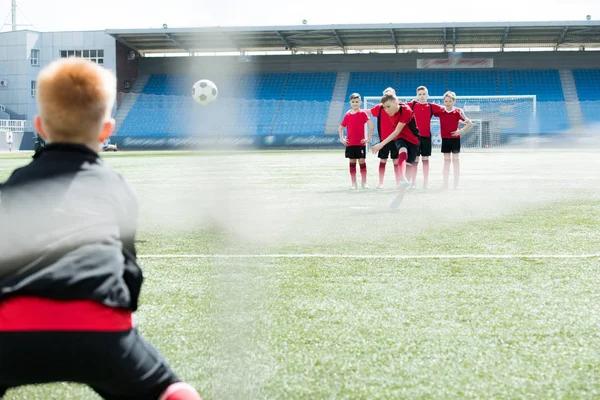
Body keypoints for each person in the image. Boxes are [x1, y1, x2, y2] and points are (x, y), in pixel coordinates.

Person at [0, 58, 202, 400]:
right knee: (173, 392)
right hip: (99, 329)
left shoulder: (12, 189)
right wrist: (122, 315)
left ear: (40, 127)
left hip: (12, 328)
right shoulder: (116, 187)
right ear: (107, 130)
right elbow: (129, 269)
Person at [371, 93, 420, 207]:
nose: (386, 110)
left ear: (396, 102)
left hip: (413, 140)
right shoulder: (392, 110)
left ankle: (400, 195)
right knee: (402, 151)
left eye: (388, 106)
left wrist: (381, 144)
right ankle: (401, 178)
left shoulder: (406, 110)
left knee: (408, 169)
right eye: (384, 107)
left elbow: (397, 130)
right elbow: (398, 133)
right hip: (400, 137)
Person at [434, 91, 473, 190]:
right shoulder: (441, 111)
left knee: (456, 161)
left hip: (455, 140)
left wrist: (460, 131)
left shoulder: (458, 111)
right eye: (446, 101)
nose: (447, 103)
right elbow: (431, 109)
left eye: (450, 101)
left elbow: (469, 123)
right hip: (445, 140)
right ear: (443, 101)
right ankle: (445, 184)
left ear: (454, 101)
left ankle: (456, 184)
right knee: (446, 162)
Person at [407, 86, 444, 189]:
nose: (422, 96)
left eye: (424, 94)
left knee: (425, 159)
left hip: (426, 137)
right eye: (420, 94)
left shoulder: (432, 106)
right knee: (415, 160)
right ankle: (413, 182)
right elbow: (399, 106)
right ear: (416, 96)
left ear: (428, 95)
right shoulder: (412, 105)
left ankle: (425, 182)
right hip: (415, 137)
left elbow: (445, 110)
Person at [367, 87, 403, 189]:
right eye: (386, 93)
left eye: (390, 93)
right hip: (383, 140)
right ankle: (380, 182)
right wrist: (356, 110)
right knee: (383, 160)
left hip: (396, 138)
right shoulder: (380, 107)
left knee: (396, 161)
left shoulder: (399, 105)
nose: (388, 95)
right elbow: (369, 111)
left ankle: (398, 182)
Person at [339, 93, 374, 189]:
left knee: (362, 161)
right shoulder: (347, 115)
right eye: (353, 102)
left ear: (360, 103)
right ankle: (354, 184)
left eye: (357, 102)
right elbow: (341, 127)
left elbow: (371, 125)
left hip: (360, 143)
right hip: (350, 144)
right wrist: (342, 138)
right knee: (352, 162)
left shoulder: (363, 113)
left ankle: (364, 182)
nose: (355, 103)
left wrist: (368, 138)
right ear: (350, 103)